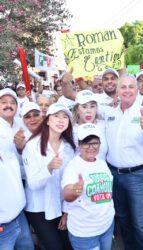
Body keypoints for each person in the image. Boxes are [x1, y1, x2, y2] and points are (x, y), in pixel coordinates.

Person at [104, 74, 143, 250]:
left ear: (137, 91)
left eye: (131, 87)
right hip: (113, 174)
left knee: (139, 222)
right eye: (123, 87)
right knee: (122, 216)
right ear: (117, 90)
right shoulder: (109, 112)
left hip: (137, 176)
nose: (127, 90)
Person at [22, 103, 76, 250]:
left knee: (70, 245)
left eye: (65, 117)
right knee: (55, 247)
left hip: (61, 205)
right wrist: (49, 168)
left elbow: (70, 182)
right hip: (39, 207)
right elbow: (33, 184)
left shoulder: (69, 147)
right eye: (56, 116)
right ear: (47, 120)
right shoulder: (32, 145)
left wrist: (66, 211)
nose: (61, 120)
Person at [62, 123, 115, 250]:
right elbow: (67, 194)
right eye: (86, 143)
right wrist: (74, 191)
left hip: (106, 225)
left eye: (95, 143)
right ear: (79, 145)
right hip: (85, 232)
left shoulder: (102, 163)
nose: (91, 147)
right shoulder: (73, 167)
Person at [0, 89, 34, 250]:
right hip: (4, 199)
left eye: (12, 102)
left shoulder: (21, 124)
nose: (8, 105)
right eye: (4, 102)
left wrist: (20, 148)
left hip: (21, 185)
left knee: (26, 243)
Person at [72, 90, 108, 160]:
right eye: (84, 107)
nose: (89, 111)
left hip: (103, 169)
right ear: (77, 109)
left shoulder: (104, 125)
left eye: (92, 106)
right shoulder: (71, 129)